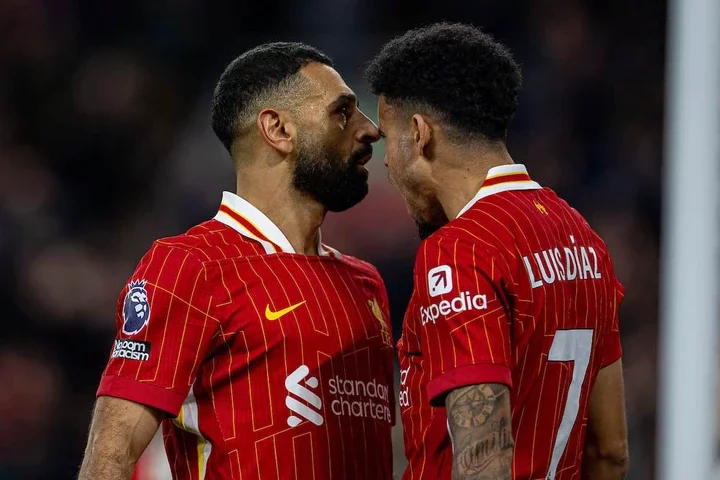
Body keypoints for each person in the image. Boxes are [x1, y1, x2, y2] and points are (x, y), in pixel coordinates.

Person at [79, 42, 395, 480]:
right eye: (342, 112)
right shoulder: (190, 266)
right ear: (278, 129)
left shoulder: (367, 285)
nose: (370, 130)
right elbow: (109, 458)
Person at [366, 23, 628, 480]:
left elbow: (485, 462)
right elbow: (610, 452)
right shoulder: (584, 238)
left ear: (419, 133)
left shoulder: (460, 250)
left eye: (389, 141)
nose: (387, 162)